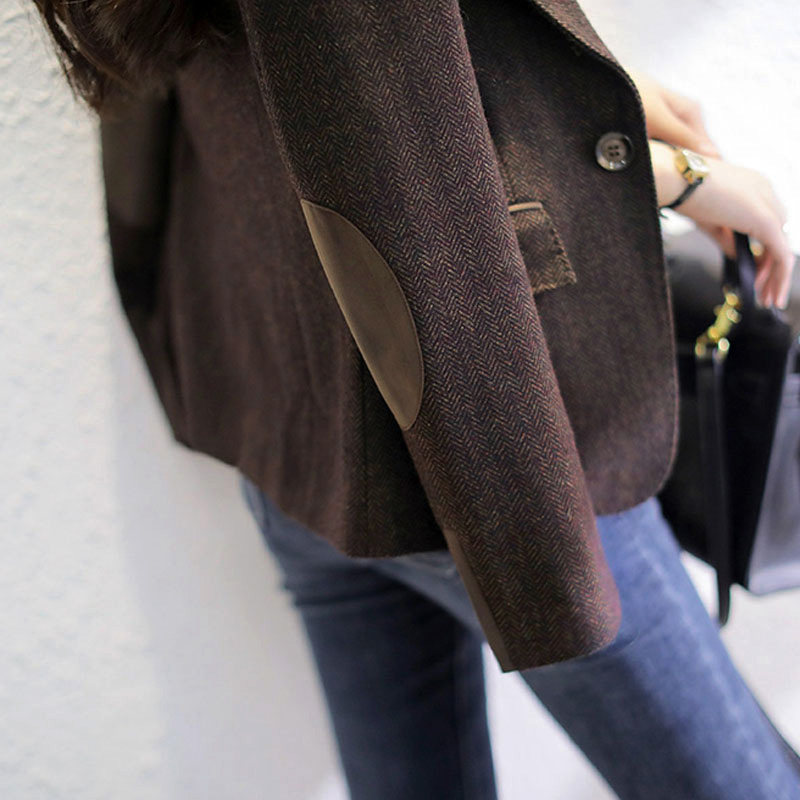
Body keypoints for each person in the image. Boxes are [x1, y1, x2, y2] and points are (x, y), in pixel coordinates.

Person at [29, 0, 798, 797]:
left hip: (300, 426)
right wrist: (680, 177)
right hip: (491, 439)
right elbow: (404, 167)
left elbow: (334, 72)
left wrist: (582, 86)